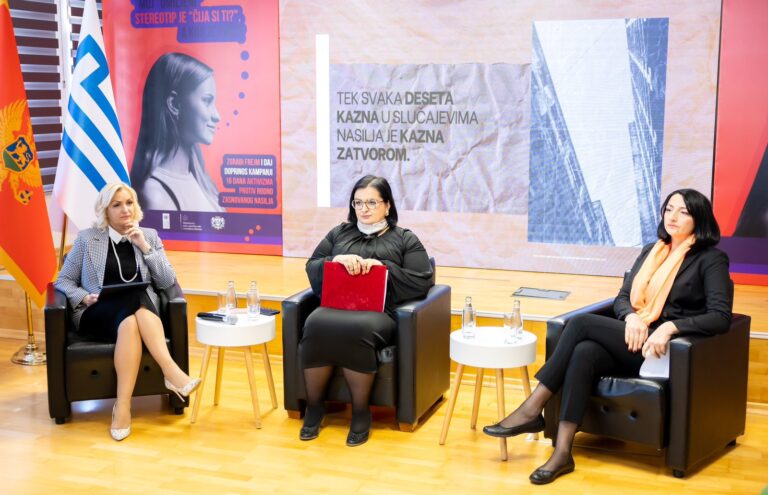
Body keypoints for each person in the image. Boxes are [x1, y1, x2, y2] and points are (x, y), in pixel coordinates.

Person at [483, 188, 732, 484]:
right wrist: (631, 317)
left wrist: (670, 328)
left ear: (699, 219)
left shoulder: (711, 259)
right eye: (669, 209)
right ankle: (562, 453)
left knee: (580, 324)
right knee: (584, 352)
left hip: (667, 350)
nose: (673, 217)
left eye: (683, 212)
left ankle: (532, 408)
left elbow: (720, 316)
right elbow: (622, 298)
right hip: (635, 338)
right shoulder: (651, 251)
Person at [54, 183, 201, 441]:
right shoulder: (88, 239)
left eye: (129, 203)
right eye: (117, 205)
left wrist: (144, 247)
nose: (125, 209)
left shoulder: (149, 236)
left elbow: (167, 282)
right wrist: (83, 296)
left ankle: (122, 407)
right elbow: (63, 280)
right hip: (97, 312)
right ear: (105, 210)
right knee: (136, 295)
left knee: (132, 313)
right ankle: (170, 371)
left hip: (134, 317)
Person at [299, 175, 434, 446]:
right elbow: (312, 265)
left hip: (380, 313)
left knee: (358, 327)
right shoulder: (338, 233)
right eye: (358, 203)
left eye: (372, 202)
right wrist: (335, 260)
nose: (364, 209)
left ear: (387, 205)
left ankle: (361, 413)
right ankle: (315, 407)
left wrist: (383, 268)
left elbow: (422, 280)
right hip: (336, 306)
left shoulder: (405, 239)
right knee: (314, 323)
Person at [130, 52, 223, 212]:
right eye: (207, 101)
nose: (217, 116)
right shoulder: (156, 195)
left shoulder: (203, 182)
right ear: (174, 104)